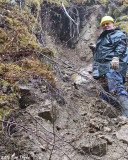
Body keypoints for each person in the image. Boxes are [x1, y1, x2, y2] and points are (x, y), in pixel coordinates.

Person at [92, 16, 128, 117]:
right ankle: (113, 116)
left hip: (113, 66)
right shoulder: (102, 38)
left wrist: (116, 58)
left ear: (113, 24)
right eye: (103, 24)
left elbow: (121, 47)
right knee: (105, 94)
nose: (105, 25)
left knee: (116, 88)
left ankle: (126, 114)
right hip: (103, 69)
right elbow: (97, 57)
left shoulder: (117, 34)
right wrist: (96, 72)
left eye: (108, 23)